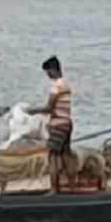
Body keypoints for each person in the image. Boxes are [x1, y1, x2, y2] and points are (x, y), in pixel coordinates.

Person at [26, 55, 75, 194]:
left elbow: (49, 108)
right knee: (66, 155)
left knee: (52, 156)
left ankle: (54, 189)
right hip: (67, 122)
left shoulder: (56, 86)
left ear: (53, 70)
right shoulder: (66, 83)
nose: (47, 75)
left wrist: (34, 110)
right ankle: (71, 187)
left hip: (58, 124)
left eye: (48, 72)